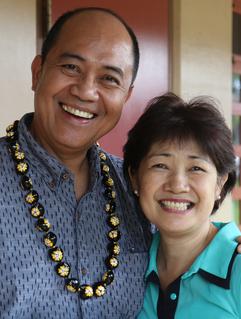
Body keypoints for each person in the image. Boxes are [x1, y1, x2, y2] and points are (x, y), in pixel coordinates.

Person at [0, 7, 150, 319]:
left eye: (109, 78)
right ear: (37, 72)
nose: (85, 91)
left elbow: (191, 243)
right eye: (71, 67)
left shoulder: (140, 187)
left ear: (126, 95)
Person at [123, 93, 241, 318]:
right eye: (160, 165)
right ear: (135, 178)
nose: (177, 185)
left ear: (220, 182)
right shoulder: (129, 267)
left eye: (196, 168)